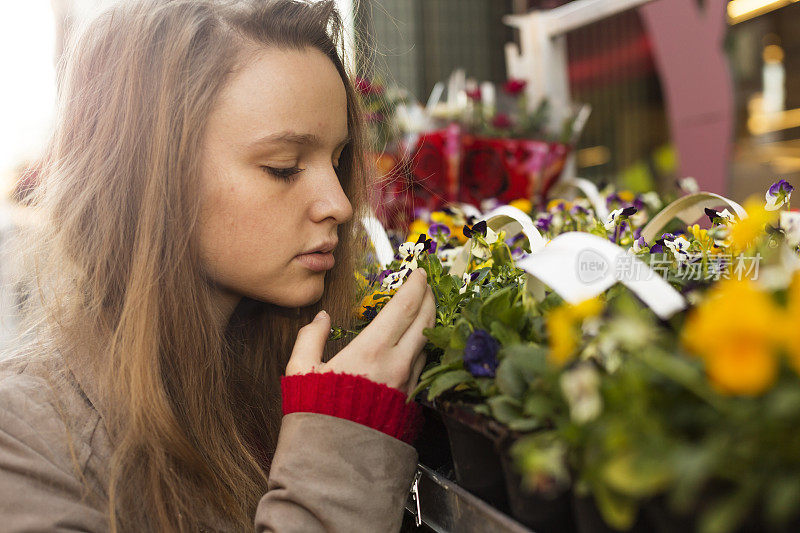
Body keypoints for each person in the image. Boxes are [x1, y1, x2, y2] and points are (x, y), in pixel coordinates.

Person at [0, 0, 435, 531]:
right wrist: (338, 461)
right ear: (151, 179)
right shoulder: (24, 440)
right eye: (283, 168)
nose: (340, 204)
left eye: (338, 160)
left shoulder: (277, 367)